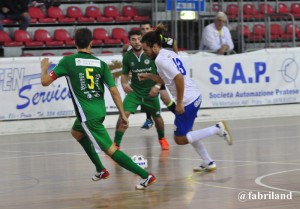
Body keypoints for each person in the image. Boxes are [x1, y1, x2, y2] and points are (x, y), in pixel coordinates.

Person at [40, 28, 156, 190]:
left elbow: (45, 82)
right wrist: (123, 114)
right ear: (91, 43)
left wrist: (44, 67)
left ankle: (146, 175)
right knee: (76, 133)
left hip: (88, 115)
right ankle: (100, 169)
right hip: (99, 111)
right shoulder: (100, 63)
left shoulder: (68, 61)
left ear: (74, 43)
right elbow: (114, 91)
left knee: (111, 151)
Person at [139, 30, 233, 172]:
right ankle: (208, 161)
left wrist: (180, 102)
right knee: (189, 132)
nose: (145, 53)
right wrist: (149, 76)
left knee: (180, 139)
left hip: (188, 100)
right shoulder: (167, 53)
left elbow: (178, 78)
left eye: (146, 49)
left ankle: (217, 129)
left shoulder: (160, 60)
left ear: (155, 46)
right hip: (194, 96)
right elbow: (167, 79)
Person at [114, 30, 169, 150]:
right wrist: (124, 84)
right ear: (130, 41)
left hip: (151, 92)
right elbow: (124, 74)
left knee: (157, 117)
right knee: (124, 115)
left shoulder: (152, 53)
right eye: (133, 39)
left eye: (139, 39)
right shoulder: (127, 57)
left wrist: (157, 86)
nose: (137, 42)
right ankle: (116, 144)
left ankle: (162, 138)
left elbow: (163, 73)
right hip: (135, 92)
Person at [139, 21, 177, 129]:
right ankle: (149, 119)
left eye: (147, 28)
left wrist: (176, 54)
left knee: (165, 98)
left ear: (150, 29)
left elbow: (173, 41)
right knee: (147, 95)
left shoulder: (157, 39)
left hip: (158, 74)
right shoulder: (140, 42)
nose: (145, 31)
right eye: (143, 29)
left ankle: (180, 116)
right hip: (148, 73)